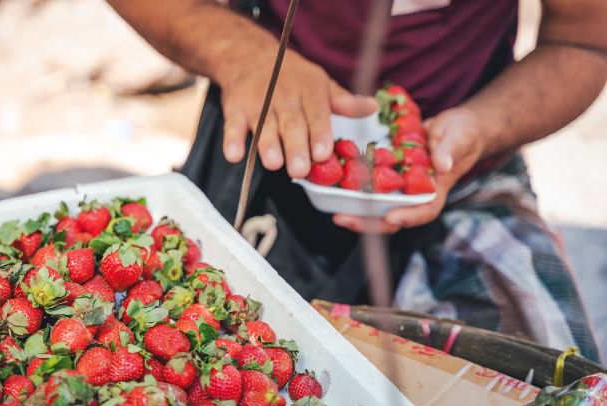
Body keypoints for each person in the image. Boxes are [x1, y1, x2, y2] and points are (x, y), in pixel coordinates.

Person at [107, 0, 607, 361]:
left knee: (560, 400)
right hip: (266, 157)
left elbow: (582, 40)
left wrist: (480, 128)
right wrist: (241, 53)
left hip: (468, 173)